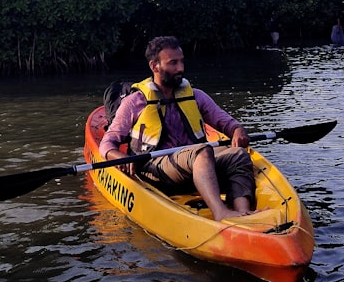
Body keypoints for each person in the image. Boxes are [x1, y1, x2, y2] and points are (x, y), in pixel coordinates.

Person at [99, 36, 258, 220]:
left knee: (238, 154)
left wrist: (237, 130)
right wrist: (119, 157)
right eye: (173, 63)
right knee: (202, 151)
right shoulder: (135, 102)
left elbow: (227, 123)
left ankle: (243, 211)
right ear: (155, 66)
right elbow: (107, 144)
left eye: (181, 62)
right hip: (155, 168)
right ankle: (221, 213)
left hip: (198, 163)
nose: (180, 68)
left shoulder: (196, 96)